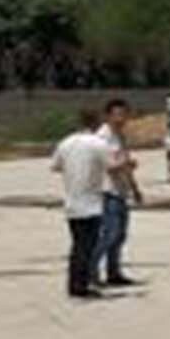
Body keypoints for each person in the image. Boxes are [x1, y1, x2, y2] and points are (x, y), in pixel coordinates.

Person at [50, 108, 111, 300]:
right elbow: (112, 165)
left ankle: (74, 283)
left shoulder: (66, 143)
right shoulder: (98, 143)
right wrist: (128, 164)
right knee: (87, 246)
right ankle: (81, 285)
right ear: (96, 122)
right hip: (91, 203)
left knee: (77, 245)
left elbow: (55, 166)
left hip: (72, 202)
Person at [93, 97, 143, 288]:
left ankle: (114, 272)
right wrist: (125, 165)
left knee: (120, 236)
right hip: (108, 191)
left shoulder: (120, 136)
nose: (121, 119)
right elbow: (105, 166)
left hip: (121, 191)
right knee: (109, 234)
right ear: (108, 116)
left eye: (124, 114)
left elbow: (125, 163)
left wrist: (135, 189)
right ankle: (91, 271)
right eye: (117, 115)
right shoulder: (102, 138)